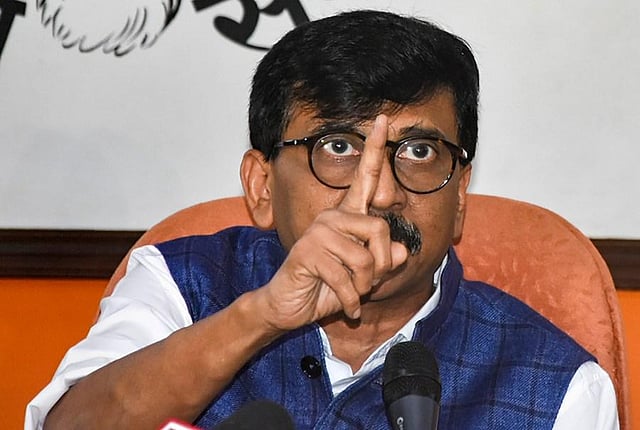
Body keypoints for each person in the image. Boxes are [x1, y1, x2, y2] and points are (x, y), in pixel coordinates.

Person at [27, 9, 619, 430]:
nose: (380, 192)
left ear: (460, 194)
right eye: (337, 147)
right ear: (261, 186)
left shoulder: (561, 387)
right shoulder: (179, 286)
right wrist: (260, 317)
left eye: (418, 151)